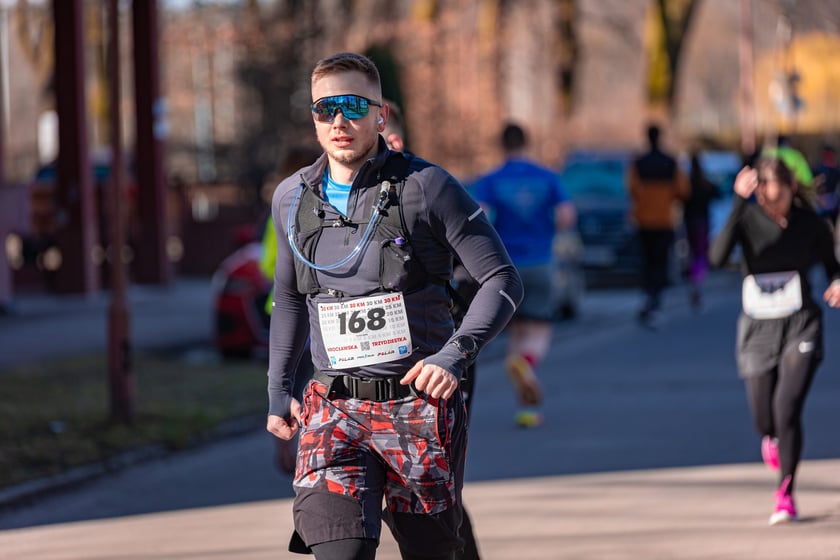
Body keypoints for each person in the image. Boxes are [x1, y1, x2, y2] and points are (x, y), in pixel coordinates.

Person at [265, 52, 523, 560]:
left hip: (415, 409)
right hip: (333, 407)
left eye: (354, 106)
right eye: (325, 108)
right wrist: (278, 388)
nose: (339, 121)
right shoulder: (291, 198)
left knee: (432, 551)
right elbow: (292, 295)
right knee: (340, 551)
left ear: (380, 116)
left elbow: (502, 278)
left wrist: (454, 356)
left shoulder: (426, 187)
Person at [709, 157, 840, 526]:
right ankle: (770, 440)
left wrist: (837, 282)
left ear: (791, 190)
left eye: (780, 197)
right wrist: (738, 202)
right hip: (758, 327)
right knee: (764, 418)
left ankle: (785, 493)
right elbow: (717, 258)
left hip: (801, 323)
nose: (774, 205)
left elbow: (832, 265)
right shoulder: (748, 220)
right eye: (766, 199)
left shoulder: (809, 223)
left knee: (788, 410)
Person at [381, 98, 481, 560]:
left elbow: (484, 275)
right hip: (364, 376)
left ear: (392, 138)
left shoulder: (430, 192)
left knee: (435, 492)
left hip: (437, 361)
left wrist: (453, 351)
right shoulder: (330, 199)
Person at [471, 123, 576, 428]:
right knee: (539, 329)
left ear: (501, 145)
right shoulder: (547, 177)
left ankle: (526, 410)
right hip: (541, 260)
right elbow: (567, 216)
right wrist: (547, 232)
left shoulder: (491, 180)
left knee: (516, 332)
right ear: (526, 142)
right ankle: (526, 365)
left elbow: (480, 216)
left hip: (505, 266)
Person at [258, 145, 321, 475]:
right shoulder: (316, 207)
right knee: (317, 383)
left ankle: (286, 450)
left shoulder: (279, 211)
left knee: (288, 385)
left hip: (282, 311)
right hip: (313, 313)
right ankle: (311, 447)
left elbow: (267, 264)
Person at [627, 123, 691, 326]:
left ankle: (648, 296)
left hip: (643, 220)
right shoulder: (671, 162)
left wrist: (645, 200)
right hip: (664, 220)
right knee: (661, 261)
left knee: (646, 261)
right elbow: (683, 190)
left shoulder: (638, 162)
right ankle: (656, 300)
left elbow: (631, 188)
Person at [683, 151, 721, 309]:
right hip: (701, 223)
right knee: (700, 254)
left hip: (689, 223)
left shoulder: (687, 184)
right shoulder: (704, 183)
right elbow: (717, 193)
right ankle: (697, 281)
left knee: (694, 253)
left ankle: (695, 282)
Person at [811, 144, 840, 224]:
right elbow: (812, 186)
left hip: (834, 205)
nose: (829, 157)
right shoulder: (817, 170)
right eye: (826, 154)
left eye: (830, 154)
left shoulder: (836, 171)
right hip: (820, 204)